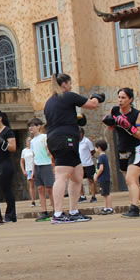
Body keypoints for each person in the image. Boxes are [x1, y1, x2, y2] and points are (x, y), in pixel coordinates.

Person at [43, 73, 103, 224]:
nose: (70, 86)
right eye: (70, 83)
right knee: (61, 176)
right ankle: (58, 214)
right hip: (65, 140)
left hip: (57, 139)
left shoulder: (49, 102)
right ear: (64, 84)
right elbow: (92, 105)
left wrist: (74, 120)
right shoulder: (68, 96)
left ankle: (74, 211)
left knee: (77, 175)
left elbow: (58, 120)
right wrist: (97, 97)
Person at [102, 87, 140, 218]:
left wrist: (129, 127)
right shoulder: (115, 110)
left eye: (123, 97)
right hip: (122, 151)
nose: (120, 100)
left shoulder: (136, 115)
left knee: (130, 179)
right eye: (119, 97)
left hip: (137, 150)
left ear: (130, 99)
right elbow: (111, 127)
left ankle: (134, 208)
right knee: (133, 183)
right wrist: (109, 122)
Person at [0, 110, 17, 222]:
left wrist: (3, 143)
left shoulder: (8, 131)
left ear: (0, 118)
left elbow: (13, 148)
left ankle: (10, 215)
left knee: (7, 189)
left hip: (5, 163)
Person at [28, 119, 55, 221]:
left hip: (46, 164)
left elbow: (50, 150)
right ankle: (44, 211)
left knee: (49, 188)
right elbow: (34, 155)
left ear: (39, 126)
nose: (30, 128)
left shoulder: (44, 137)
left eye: (33, 125)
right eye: (29, 126)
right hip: (37, 165)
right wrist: (33, 171)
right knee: (40, 188)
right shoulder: (32, 141)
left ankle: (56, 209)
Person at [78, 128, 98, 203]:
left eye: (79, 133)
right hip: (80, 165)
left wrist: (88, 157)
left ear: (82, 133)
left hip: (88, 164)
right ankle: (82, 196)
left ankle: (93, 196)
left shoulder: (87, 141)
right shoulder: (76, 142)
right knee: (79, 181)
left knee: (91, 180)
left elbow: (92, 151)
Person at [93, 139, 113, 215]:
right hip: (104, 178)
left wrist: (96, 176)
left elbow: (101, 168)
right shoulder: (104, 156)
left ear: (99, 148)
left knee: (106, 194)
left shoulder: (101, 157)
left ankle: (109, 208)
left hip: (103, 178)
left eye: (96, 147)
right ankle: (106, 207)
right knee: (105, 194)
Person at [20, 137, 37, 207]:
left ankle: (42, 201)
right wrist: (23, 170)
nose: (29, 142)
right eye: (28, 141)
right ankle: (33, 201)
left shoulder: (34, 149)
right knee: (31, 185)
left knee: (40, 185)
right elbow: (21, 161)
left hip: (36, 168)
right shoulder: (24, 151)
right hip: (28, 169)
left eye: (30, 140)